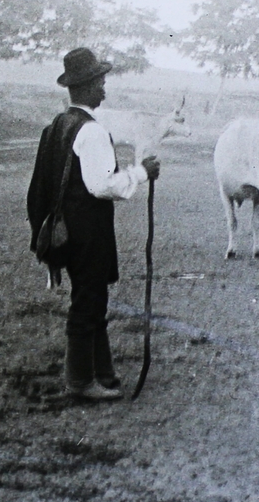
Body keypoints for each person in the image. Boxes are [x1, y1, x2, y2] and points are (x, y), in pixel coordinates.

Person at [27, 48, 161, 401]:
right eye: (100, 83)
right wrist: (141, 173)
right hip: (87, 231)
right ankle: (80, 382)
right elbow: (101, 185)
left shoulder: (59, 125)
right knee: (88, 301)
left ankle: (103, 371)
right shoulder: (92, 131)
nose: (104, 89)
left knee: (92, 296)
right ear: (84, 88)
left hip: (64, 232)